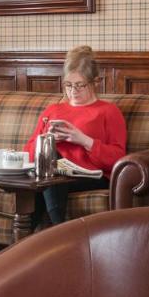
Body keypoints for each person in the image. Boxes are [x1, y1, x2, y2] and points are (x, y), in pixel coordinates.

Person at [24, 45, 126, 228]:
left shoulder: (108, 111)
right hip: (54, 174)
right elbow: (29, 155)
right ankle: (46, 236)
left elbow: (118, 159)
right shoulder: (53, 110)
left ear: (95, 82)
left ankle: (52, 231)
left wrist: (84, 140)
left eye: (80, 85)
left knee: (49, 175)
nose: (73, 91)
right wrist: (46, 141)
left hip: (90, 176)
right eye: (68, 85)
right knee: (46, 172)